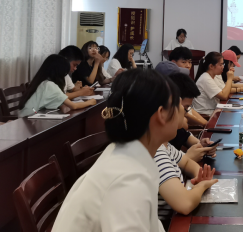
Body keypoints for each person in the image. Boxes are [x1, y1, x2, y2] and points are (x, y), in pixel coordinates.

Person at [53, 69, 179, 231]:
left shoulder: (124, 155)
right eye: (176, 105)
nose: (180, 110)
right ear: (161, 114)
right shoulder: (128, 179)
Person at [18, 55, 97, 118]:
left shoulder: (42, 81)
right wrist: (90, 102)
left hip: (27, 118)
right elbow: (74, 106)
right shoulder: (49, 85)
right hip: (29, 119)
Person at [167, 73, 215, 161]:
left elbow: (190, 140)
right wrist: (189, 158)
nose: (186, 113)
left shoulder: (177, 129)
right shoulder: (162, 136)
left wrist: (203, 145)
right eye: (185, 108)